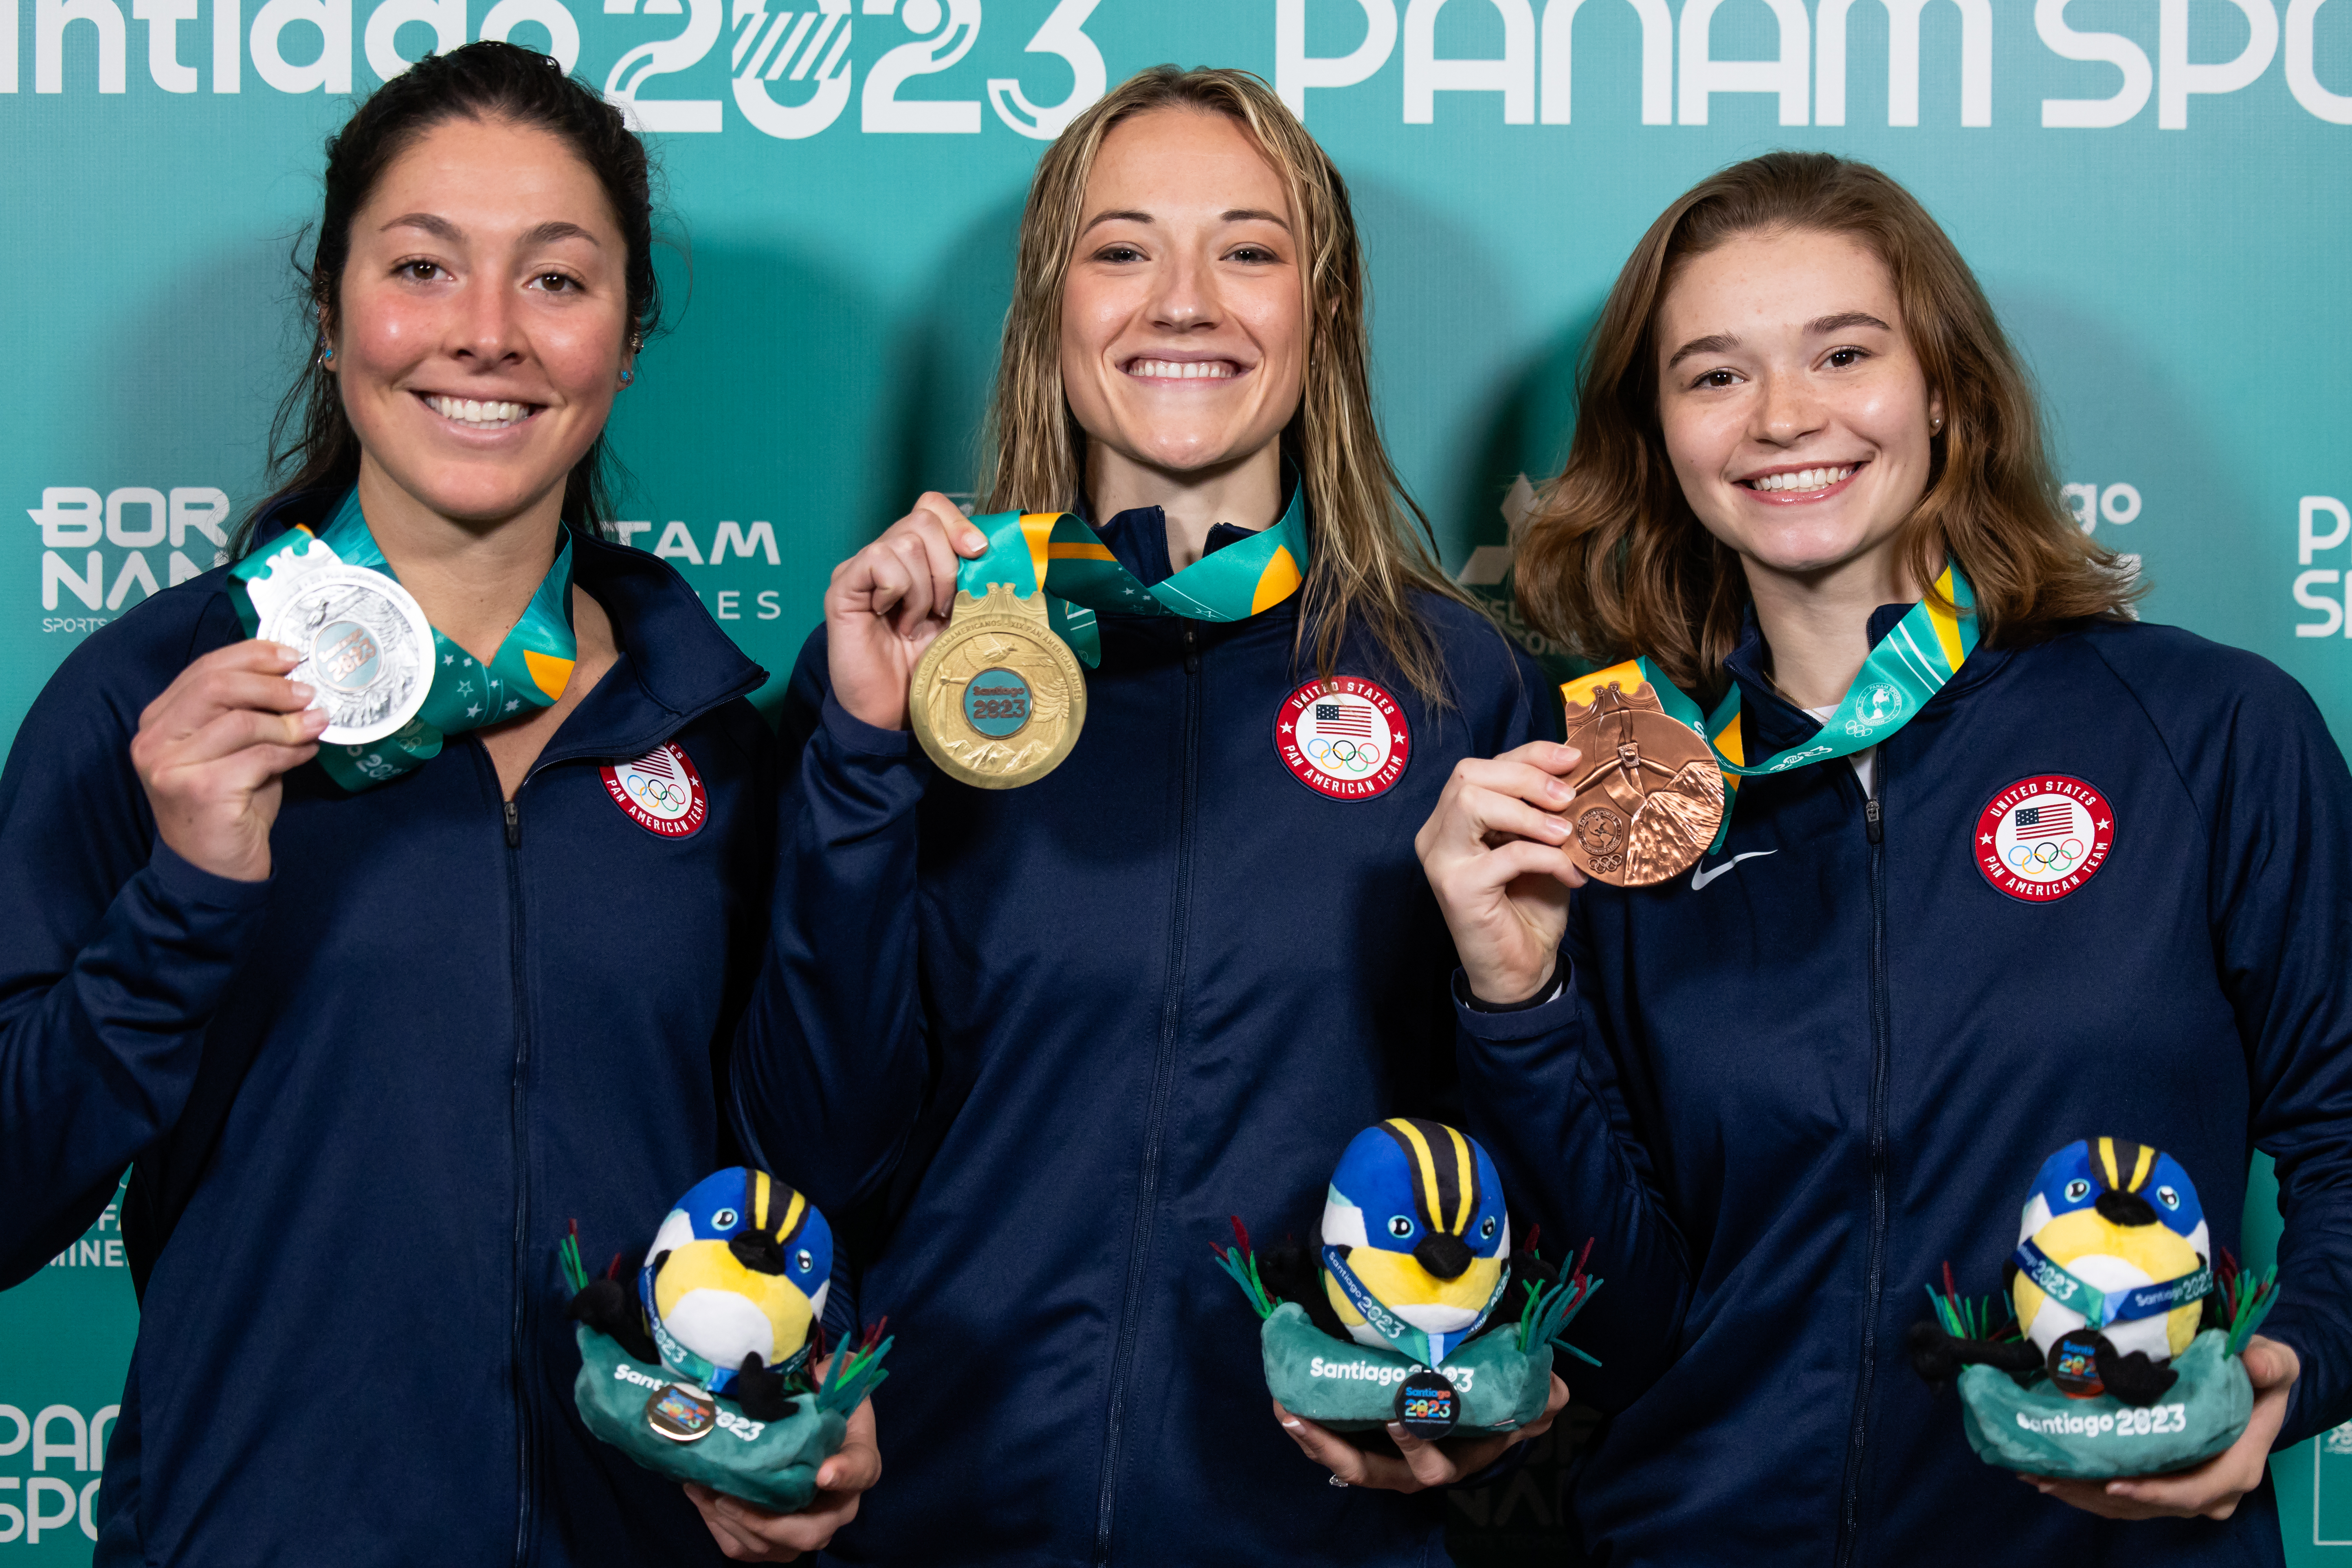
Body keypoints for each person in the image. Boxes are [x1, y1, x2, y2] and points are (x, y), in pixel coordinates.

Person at [1412, 151, 2352, 1564]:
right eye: (1714, 375)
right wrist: (1515, 999)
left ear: (1948, 393)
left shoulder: (2209, 733)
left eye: (1844, 353)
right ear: (1658, 433)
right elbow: (1637, 1313)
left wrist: (2299, 1359)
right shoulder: (1604, 790)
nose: (1785, 417)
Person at [0, 43, 871, 1565]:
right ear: (332, 308)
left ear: (628, 333)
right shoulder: (154, 705)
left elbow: (802, 1168)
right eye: (422, 267)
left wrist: (793, 1416)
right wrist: (186, 900)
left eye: (556, 280)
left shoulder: (724, 732)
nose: (485, 337)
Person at [734, 65, 1566, 1566]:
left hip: (1316, 1530)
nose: (1184, 301)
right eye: (1124, 249)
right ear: (1051, 307)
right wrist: (863, 758)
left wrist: (1499, 1389)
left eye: (1248, 250)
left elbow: (1546, 1160)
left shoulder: (1466, 688)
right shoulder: (914, 665)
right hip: (942, 1515)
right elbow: (813, 1147)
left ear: (1327, 315)